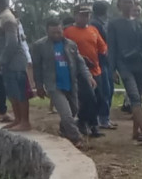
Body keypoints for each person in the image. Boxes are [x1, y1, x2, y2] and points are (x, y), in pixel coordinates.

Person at [31, 18, 95, 148]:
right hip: (53, 85)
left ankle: (64, 130)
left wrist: (88, 76)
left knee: (73, 110)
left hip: (71, 82)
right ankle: (77, 138)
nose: (56, 35)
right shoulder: (39, 46)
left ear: (62, 30)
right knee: (66, 114)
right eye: (53, 33)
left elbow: (80, 62)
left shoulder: (71, 45)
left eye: (59, 32)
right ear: (47, 32)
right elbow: (37, 67)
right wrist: (38, 86)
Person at [108, 0, 142, 144]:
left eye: (130, 1)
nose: (128, 4)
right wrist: (112, 69)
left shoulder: (139, 23)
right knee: (133, 96)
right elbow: (111, 48)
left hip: (139, 63)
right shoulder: (113, 24)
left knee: (138, 97)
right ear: (119, 4)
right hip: (123, 64)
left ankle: (135, 131)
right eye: (125, 1)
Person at [0, 0, 30, 131]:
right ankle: (17, 119)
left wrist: (2, 59)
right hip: (7, 62)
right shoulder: (0, 17)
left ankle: (25, 121)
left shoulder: (8, 19)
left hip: (15, 61)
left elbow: (12, 43)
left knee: (20, 92)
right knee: (11, 92)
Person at [64, 4, 108, 137]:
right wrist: (81, 58)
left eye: (88, 15)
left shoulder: (93, 30)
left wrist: (104, 55)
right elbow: (65, 51)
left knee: (100, 98)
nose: (85, 17)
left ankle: (86, 121)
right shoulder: (68, 32)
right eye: (82, 14)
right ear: (75, 15)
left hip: (96, 70)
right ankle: (90, 124)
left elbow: (102, 47)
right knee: (89, 98)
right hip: (79, 72)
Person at [91, 0, 116, 130]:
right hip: (101, 61)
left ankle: (104, 117)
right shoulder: (96, 25)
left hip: (103, 60)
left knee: (107, 89)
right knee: (105, 90)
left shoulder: (99, 23)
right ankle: (103, 118)